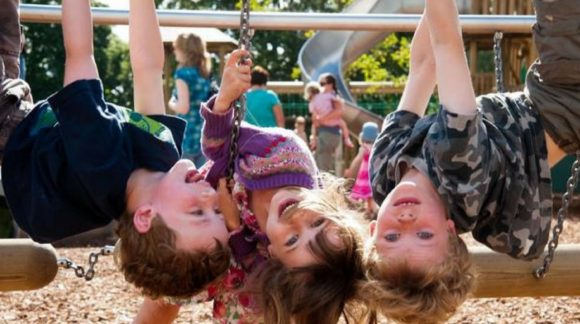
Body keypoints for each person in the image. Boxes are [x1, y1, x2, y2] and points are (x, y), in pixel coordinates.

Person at [1, 0, 235, 300]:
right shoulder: (162, 159)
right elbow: (148, 70)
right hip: (18, 99)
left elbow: (80, 53)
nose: (210, 196)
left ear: (146, 216)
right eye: (216, 210)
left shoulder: (100, 160)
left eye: (197, 212)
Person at [364, 0, 580, 322]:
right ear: (450, 231)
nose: (406, 220)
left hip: (541, 96)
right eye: (425, 236)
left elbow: (424, 64)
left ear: (372, 231)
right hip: (568, 99)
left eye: (391, 238)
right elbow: (447, 44)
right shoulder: (458, 172)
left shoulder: (384, 174)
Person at [167, 32, 211, 167]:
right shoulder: (204, 73)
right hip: (205, 134)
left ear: (184, 51)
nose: (174, 51)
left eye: (176, 48)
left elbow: (183, 108)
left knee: (186, 178)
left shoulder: (182, 74)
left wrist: (171, 103)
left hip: (187, 136)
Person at [347, 121, 379, 217]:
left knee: (366, 194)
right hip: (372, 174)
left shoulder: (364, 148)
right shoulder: (376, 148)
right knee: (370, 194)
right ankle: (371, 209)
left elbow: (357, 161)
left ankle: (371, 210)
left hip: (364, 175)